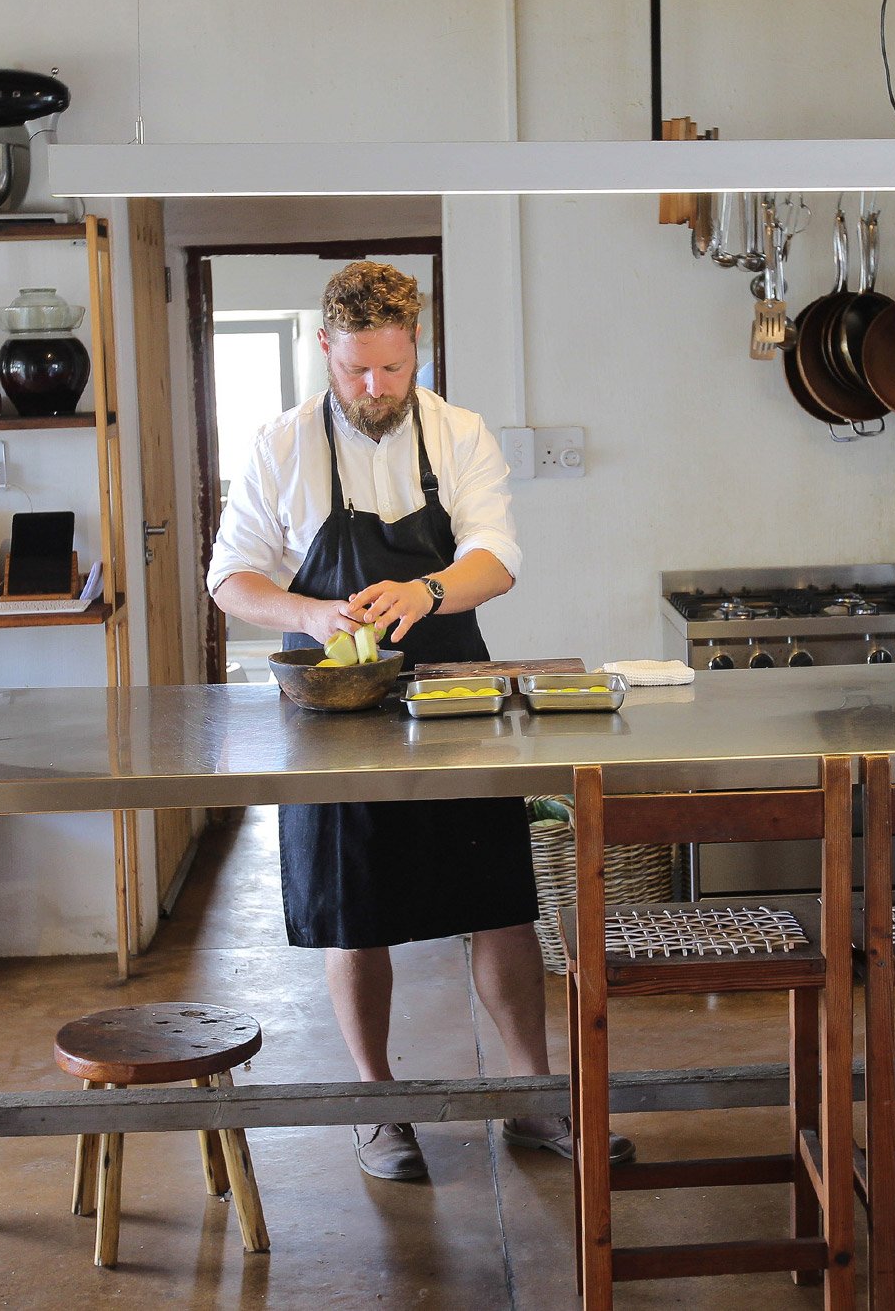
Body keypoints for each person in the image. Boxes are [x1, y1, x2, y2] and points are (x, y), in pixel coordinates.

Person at [206, 261, 633, 1180]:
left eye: (393, 370)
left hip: (455, 697)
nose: (375, 389)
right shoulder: (281, 445)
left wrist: (428, 587)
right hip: (330, 713)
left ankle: (532, 1098)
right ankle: (379, 1107)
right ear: (325, 348)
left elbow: (498, 556)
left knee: (500, 902)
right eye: (357, 369)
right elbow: (230, 576)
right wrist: (311, 614)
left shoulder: (458, 432)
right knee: (354, 915)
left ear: (416, 351)